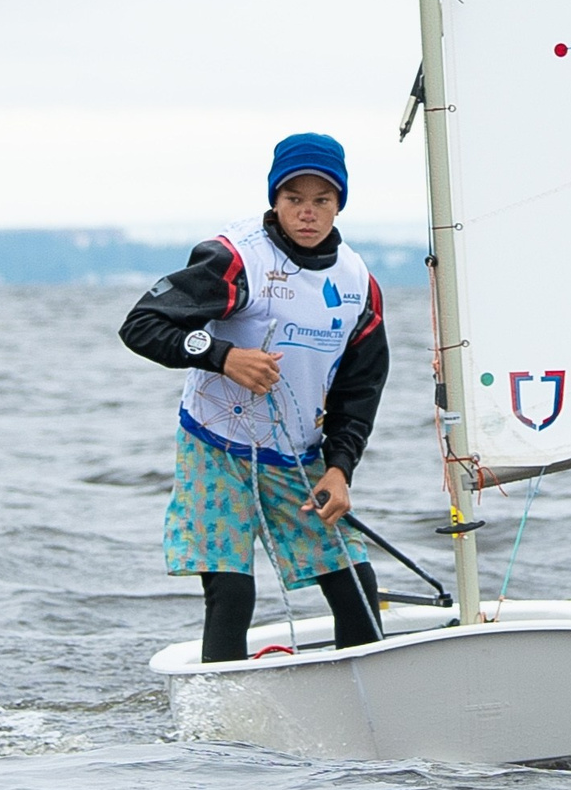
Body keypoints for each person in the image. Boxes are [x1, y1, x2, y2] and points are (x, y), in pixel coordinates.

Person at [119, 132, 389, 664]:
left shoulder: (359, 283)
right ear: (275, 199)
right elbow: (141, 325)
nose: (307, 213)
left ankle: (371, 703)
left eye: (322, 201)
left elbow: (361, 387)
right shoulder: (234, 259)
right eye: (294, 199)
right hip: (215, 445)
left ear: (339, 204)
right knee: (233, 588)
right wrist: (221, 355)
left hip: (297, 455)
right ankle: (221, 729)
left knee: (353, 577)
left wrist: (340, 468)